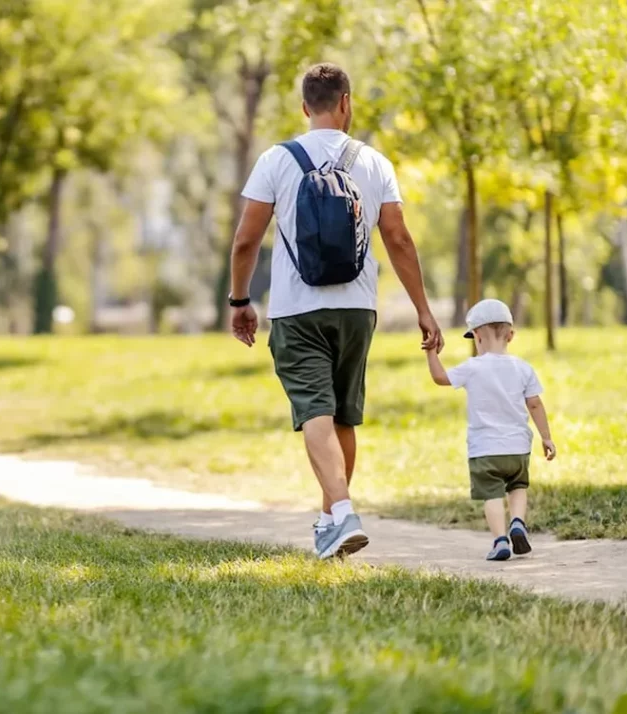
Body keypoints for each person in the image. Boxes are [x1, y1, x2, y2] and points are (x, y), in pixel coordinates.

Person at [228, 62, 444, 559]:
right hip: (357, 309)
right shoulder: (374, 163)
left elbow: (245, 241)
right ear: (346, 102)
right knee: (342, 416)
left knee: (315, 412)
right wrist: (423, 310)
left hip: (296, 310)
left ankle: (342, 511)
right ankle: (330, 522)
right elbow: (399, 240)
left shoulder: (276, 160)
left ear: (305, 108)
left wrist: (241, 301)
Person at [425, 299, 556, 561]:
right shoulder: (523, 368)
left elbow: (440, 378)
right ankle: (518, 522)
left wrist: (430, 352)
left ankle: (500, 540)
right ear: (511, 335)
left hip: (485, 449)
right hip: (517, 448)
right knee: (518, 486)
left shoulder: (473, 367)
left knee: (492, 494)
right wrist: (546, 437)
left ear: (476, 336)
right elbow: (535, 404)